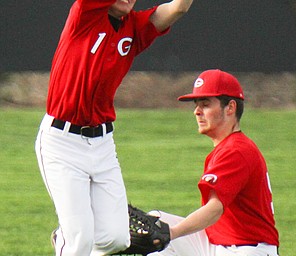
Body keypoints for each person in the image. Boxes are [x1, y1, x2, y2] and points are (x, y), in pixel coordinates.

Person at [34, 0, 193, 255]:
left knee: (117, 239)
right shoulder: (84, 14)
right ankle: (69, 237)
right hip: (62, 142)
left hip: (102, 144)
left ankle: (63, 235)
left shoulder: (134, 29)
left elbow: (178, 8)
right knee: (80, 240)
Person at [148, 69, 280, 256]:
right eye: (196, 104)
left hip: (246, 250)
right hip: (221, 245)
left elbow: (214, 210)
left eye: (206, 104)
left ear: (230, 108)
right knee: (155, 222)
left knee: (164, 234)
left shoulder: (235, 150)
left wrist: (172, 233)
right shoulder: (228, 147)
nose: (197, 111)